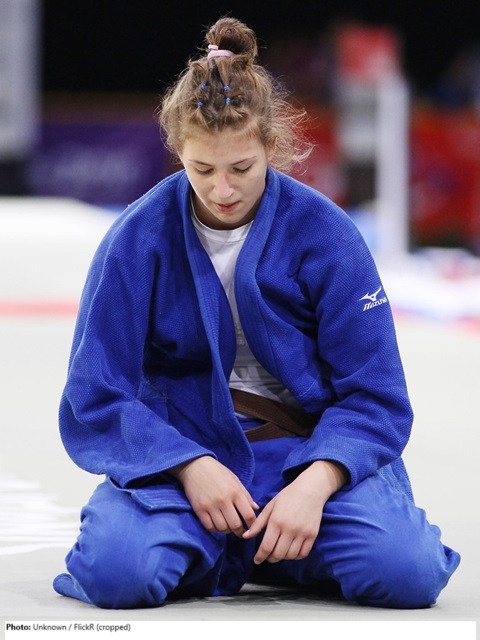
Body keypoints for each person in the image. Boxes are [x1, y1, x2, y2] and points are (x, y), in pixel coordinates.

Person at [53, 17, 460, 610]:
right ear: (178, 152)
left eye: (241, 168)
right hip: (183, 457)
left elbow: (376, 396)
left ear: (271, 146)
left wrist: (317, 484)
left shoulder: (327, 236)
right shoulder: (135, 239)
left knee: (407, 571)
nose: (222, 190)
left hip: (304, 453)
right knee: (118, 573)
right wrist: (188, 465)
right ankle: (262, 549)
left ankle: (250, 544)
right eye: (202, 169)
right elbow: (96, 393)